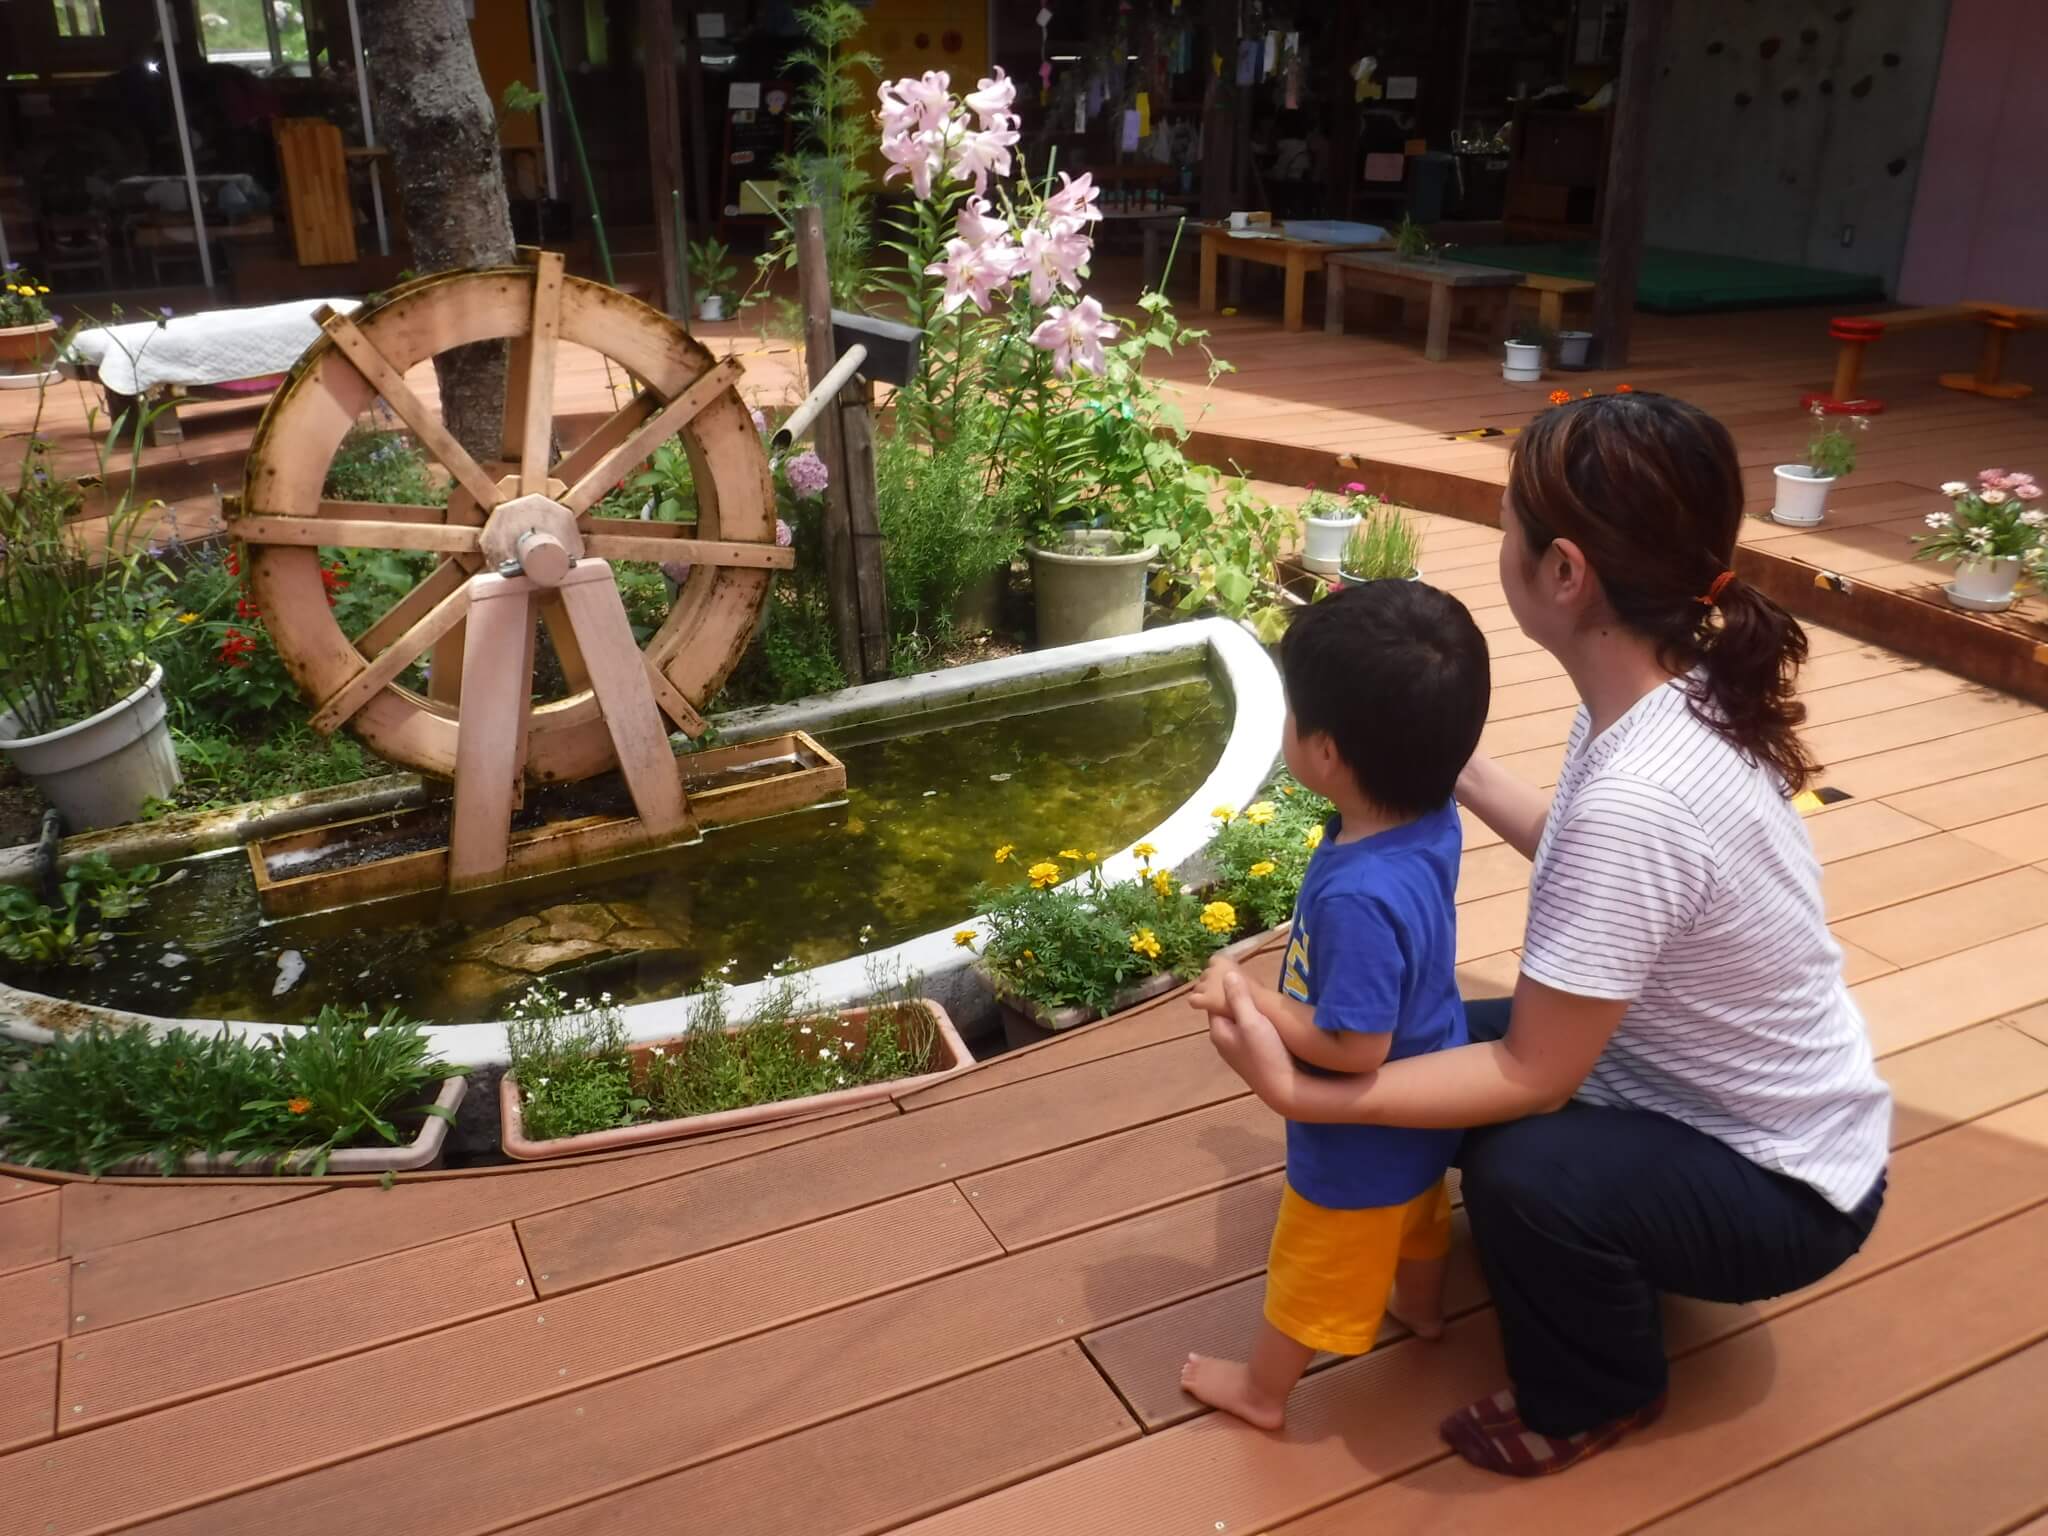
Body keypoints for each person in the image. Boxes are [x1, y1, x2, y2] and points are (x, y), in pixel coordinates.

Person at [1205, 391, 1892, 1475]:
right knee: (1431, 1042)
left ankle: (1594, 1394)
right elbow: (1577, 855)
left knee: (1522, 1171)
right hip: (1678, 1084)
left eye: (1505, 528)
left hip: (1780, 1186)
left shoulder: (1641, 795)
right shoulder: (1660, 693)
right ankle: (1576, 1244)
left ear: (1563, 573)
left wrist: (1304, 1095)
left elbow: (1533, 1072)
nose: (1499, 547)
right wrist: (1424, 751)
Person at [1180, 579, 1492, 1431]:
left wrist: (1254, 1001)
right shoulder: (1431, 815)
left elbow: (1356, 1048)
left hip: (1361, 1133)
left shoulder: (1358, 895)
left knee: (1311, 1266)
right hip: (1432, 1087)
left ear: (1324, 753)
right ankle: (1420, 1310)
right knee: (1420, 1217)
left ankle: (1262, 1392)